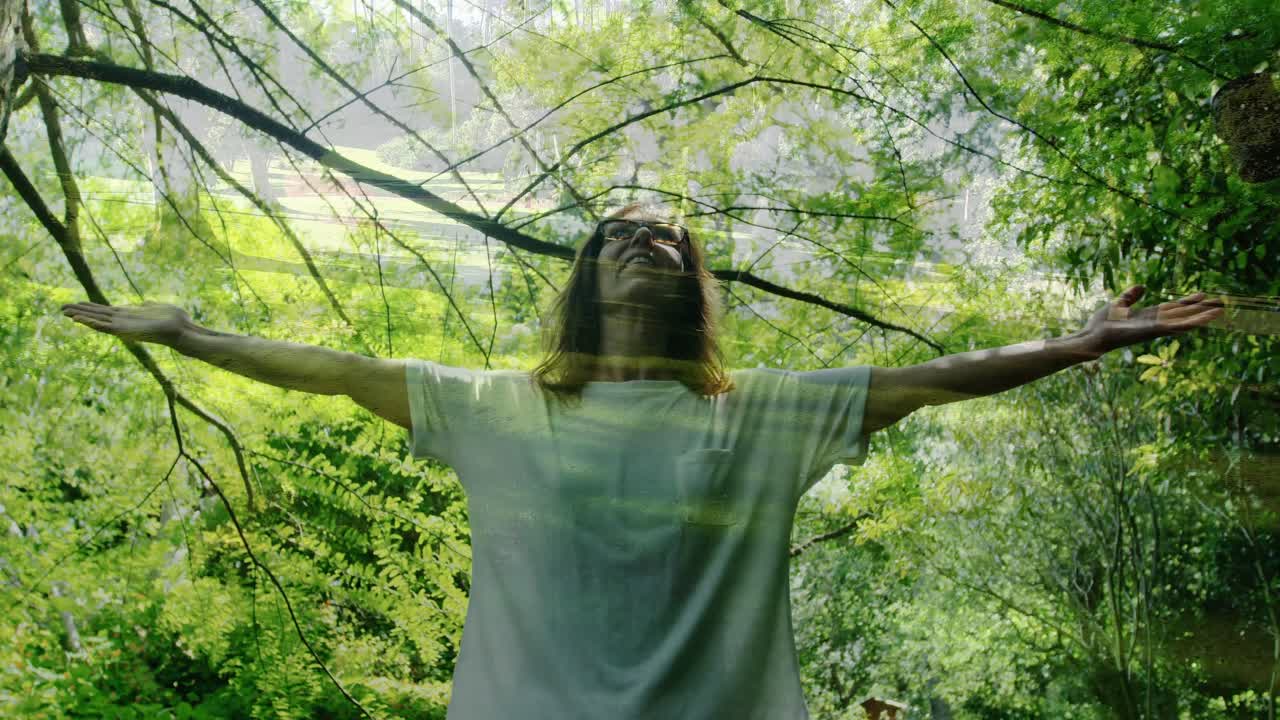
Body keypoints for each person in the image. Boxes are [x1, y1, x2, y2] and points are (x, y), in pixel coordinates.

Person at [60, 203, 1225, 719]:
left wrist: (1079, 344)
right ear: (586, 278)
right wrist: (187, 332)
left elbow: (941, 376)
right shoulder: (496, 408)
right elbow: (326, 365)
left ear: (689, 284)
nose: (643, 245)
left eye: (667, 239)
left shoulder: (759, 413)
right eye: (618, 236)